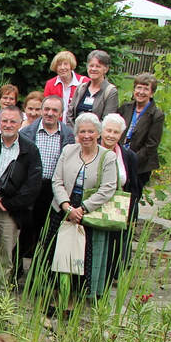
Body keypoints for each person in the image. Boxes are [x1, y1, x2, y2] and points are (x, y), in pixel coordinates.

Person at [51, 112, 119, 298]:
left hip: (89, 213)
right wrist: (67, 207)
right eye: (82, 131)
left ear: (98, 133)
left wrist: (82, 209)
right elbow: (57, 181)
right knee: (59, 254)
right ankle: (56, 297)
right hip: (64, 210)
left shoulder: (108, 157)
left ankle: (78, 297)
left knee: (83, 257)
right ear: (77, 133)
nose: (86, 135)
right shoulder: (68, 150)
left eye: (91, 131)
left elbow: (108, 188)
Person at [0, 105, 43, 283]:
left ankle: (0, 291)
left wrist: (8, 204)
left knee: (5, 254)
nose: (8, 124)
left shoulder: (29, 149)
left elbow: (33, 184)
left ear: (21, 123)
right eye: (5, 120)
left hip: (12, 212)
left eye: (13, 121)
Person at [19, 95, 75, 266]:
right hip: (30, 187)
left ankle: (39, 271)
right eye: (47, 109)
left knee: (47, 232)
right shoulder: (26, 133)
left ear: (61, 113)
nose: (50, 113)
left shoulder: (68, 135)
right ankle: (16, 270)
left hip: (53, 189)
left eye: (55, 110)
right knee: (25, 230)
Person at [100, 112, 142, 274]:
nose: (111, 135)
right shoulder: (91, 150)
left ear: (121, 134)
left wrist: (131, 216)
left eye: (116, 132)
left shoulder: (129, 156)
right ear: (102, 130)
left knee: (113, 250)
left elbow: (134, 188)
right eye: (108, 130)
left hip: (116, 210)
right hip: (91, 207)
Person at [120, 72, 165, 194]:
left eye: (146, 89)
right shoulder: (126, 107)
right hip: (120, 158)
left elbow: (151, 145)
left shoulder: (156, 115)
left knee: (131, 199)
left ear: (152, 93)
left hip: (139, 166)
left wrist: (131, 161)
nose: (141, 92)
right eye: (139, 88)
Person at [67, 50, 118, 124]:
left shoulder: (110, 91)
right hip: (75, 131)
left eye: (98, 66)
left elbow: (107, 121)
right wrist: (75, 130)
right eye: (91, 65)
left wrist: (89, 131)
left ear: (106, 69)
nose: (94, 69)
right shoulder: (80, 88)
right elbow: (70, 115)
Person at [44, 51, 89, 122]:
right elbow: (46, 107)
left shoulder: (84, 82)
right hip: (56, 125)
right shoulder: (50, 84)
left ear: (71, 65)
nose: (62, 67)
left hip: (78, 124)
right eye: (59, 64)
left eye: (66, 64)